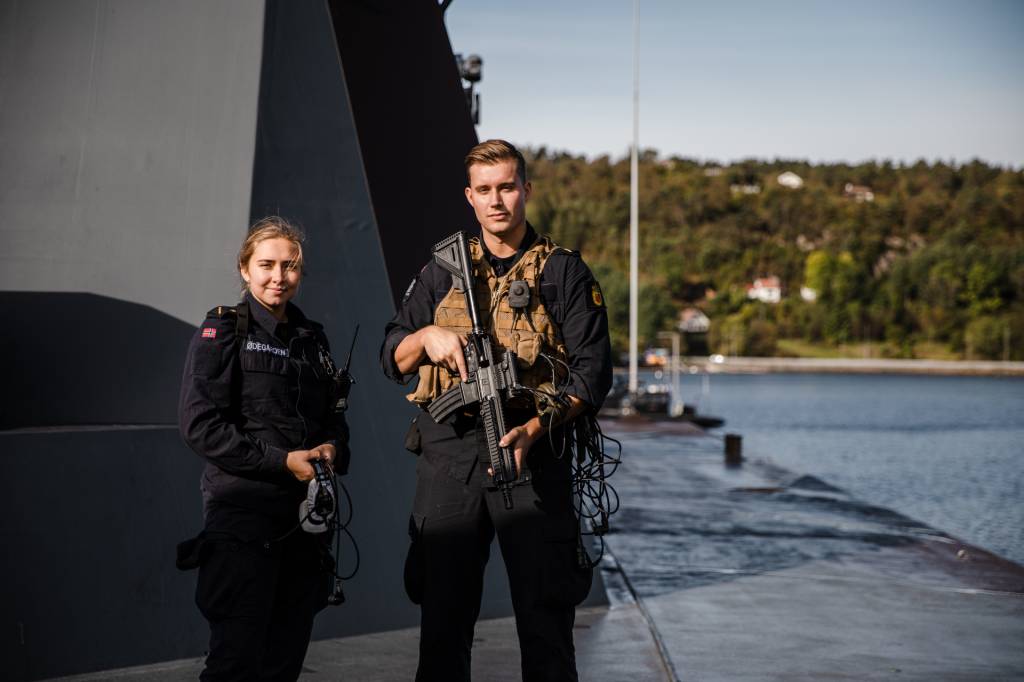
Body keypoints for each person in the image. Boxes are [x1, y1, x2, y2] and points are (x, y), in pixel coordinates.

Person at [381, 139, 613, 681]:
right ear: (469, 196)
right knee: (442, 621)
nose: (497, 201)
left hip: (533, 454)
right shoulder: (442, 270)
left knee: (546, 622)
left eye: (507, 187)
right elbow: (391, 355)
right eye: (484, 190)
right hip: (451, 458)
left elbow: (593, 373)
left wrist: (536, 427)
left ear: (526, 190)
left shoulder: (563, 273)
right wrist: (429, 336)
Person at [178, 216, 350, 681]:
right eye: (267, 265)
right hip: (242, 520)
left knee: (284, 663)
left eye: (289, 266)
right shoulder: (223, 330)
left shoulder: (313, 339)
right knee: (235, 663)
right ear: (244, 268)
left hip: (304, 525)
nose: (279, 276)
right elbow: (200, 426)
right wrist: (281, 462)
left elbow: (333, 417)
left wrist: (332, 447)